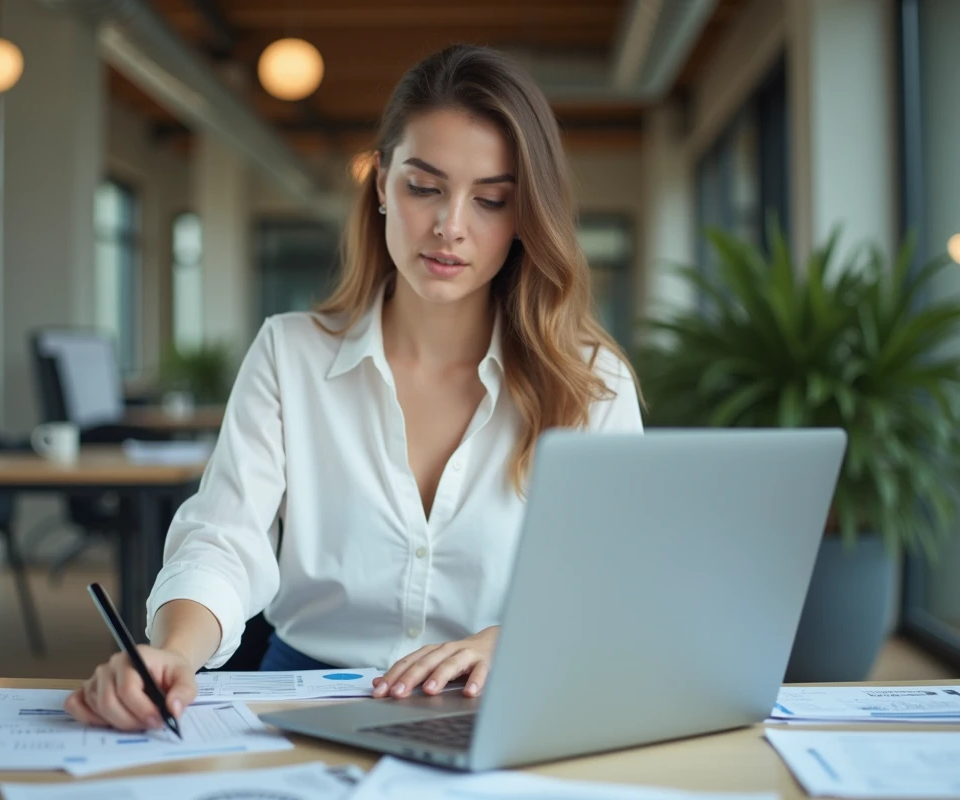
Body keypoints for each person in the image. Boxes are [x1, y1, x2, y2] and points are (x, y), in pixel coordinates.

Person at [66, 43, 643, 733]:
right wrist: (172, 651)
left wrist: (517, 640)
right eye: (423, 187)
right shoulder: (289, 353)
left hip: (502, 701)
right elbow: (223, 537)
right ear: (379, 184)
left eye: (491, 200)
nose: (449, 226)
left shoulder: (589, 380)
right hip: (304, 693)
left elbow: (614, 582)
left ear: (525, 218)